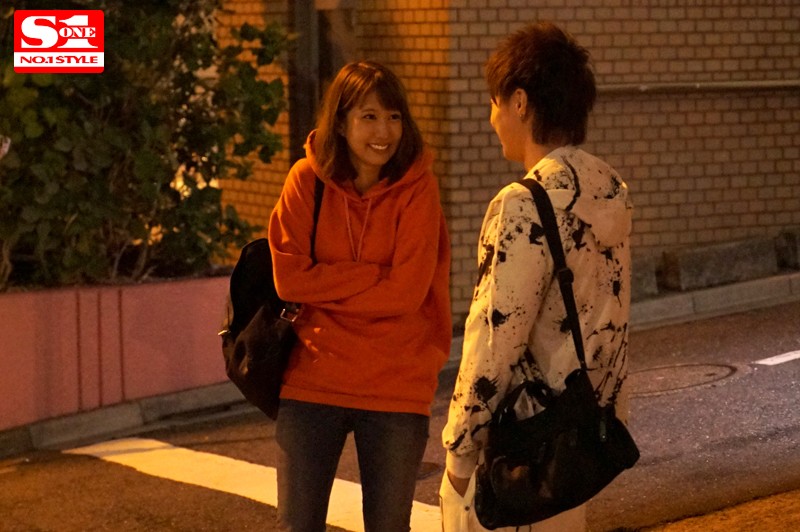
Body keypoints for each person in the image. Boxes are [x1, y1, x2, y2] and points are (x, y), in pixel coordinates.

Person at [440, 22, 633, 531]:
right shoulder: (609, 189)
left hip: (524, 450)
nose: (492, 117)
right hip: (578, 442)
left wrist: (460, 449)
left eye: (494, 102)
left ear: (520, 102)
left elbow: (494, 341)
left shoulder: (522, 205)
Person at [268, 60, 452, 531]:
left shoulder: (418, 188)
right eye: (369, 116)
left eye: (393, 117)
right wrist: (373, 274)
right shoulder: (305, 181)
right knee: (296, 526)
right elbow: (289, 281)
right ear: (341, 121)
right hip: (313, 376)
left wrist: (328, 282)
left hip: (396, 385)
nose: (383, 131)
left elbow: (406, 294)